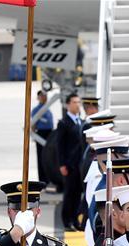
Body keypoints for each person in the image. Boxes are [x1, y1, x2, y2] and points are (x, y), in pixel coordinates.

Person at [55, 92, 86, 231]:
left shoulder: (81, 122)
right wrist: (62, 164)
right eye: (74, 102)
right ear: (68, 104)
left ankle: (75, 219)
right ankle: (66, 221)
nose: (77, 105)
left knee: (78, 194)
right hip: (69, 165)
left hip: (80, 165)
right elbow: (59, 145)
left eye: (79, 102)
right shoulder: (63, 123)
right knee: (69, 193)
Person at [32, 90, 55, 184]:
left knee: (49, 157)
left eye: (45, 96)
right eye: (42, 96)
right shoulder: (36, 110)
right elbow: (33, 124)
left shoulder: (47, 109)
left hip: (49, 133)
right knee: (41, 157)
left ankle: (49, 178)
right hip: (41, 133)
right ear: (38, 98)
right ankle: (42, 180)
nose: (44, 98)